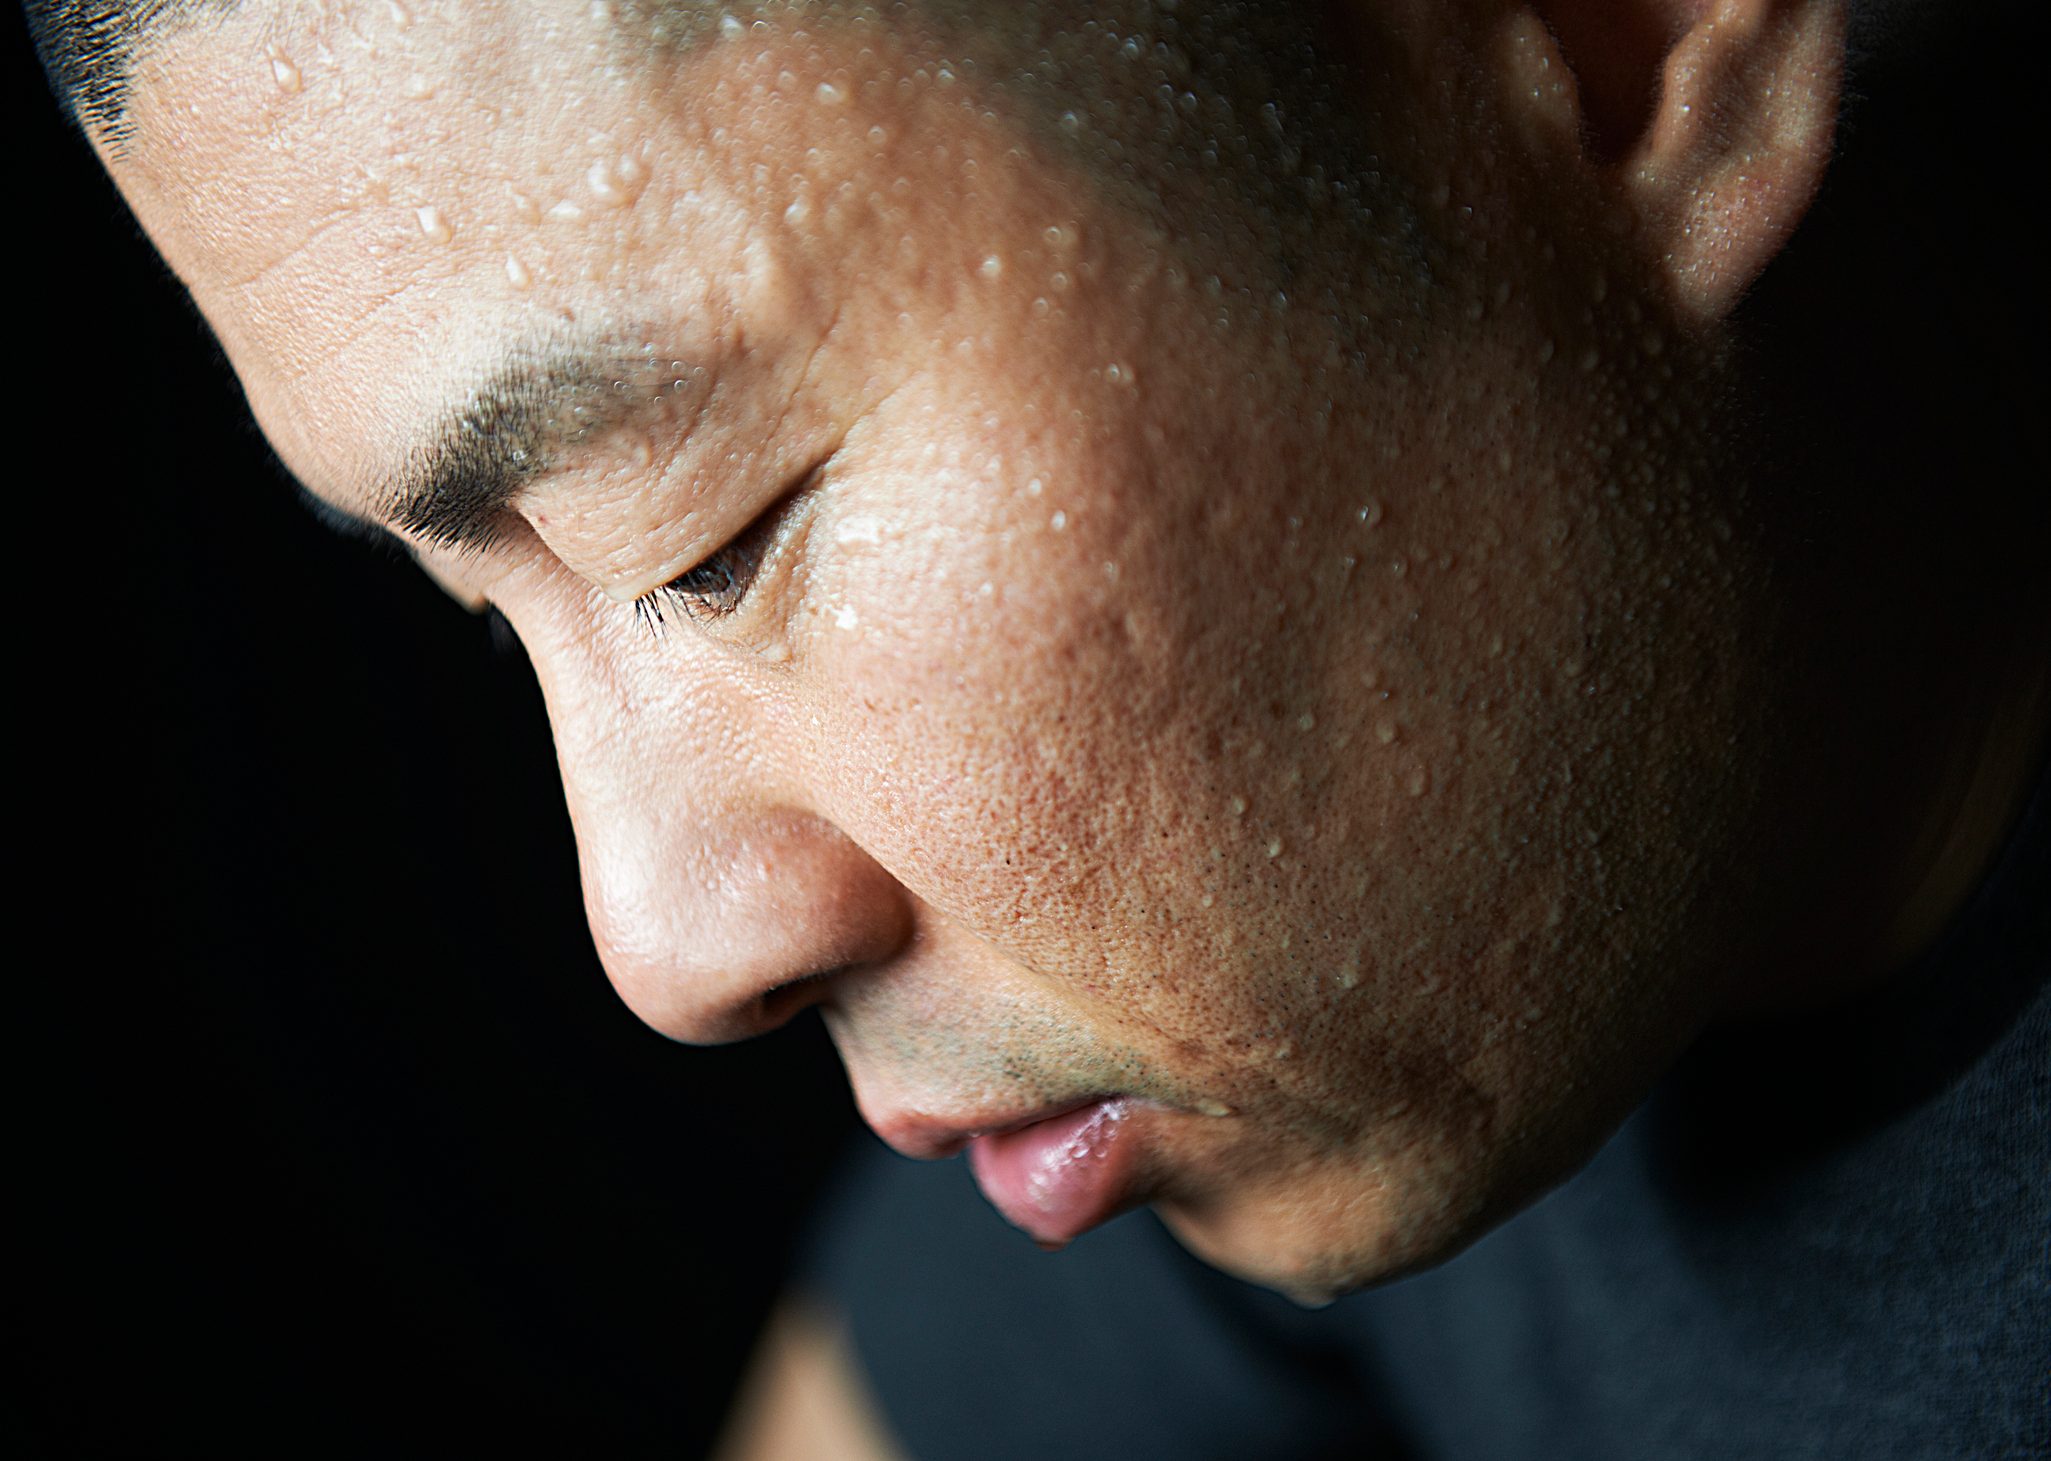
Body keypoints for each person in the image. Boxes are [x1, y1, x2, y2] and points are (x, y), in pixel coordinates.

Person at [26, 0, 2043, 1455]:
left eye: (705, 535)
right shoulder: (1349, 962)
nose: (665, 939)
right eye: (488, 616)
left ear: (1615, 47)